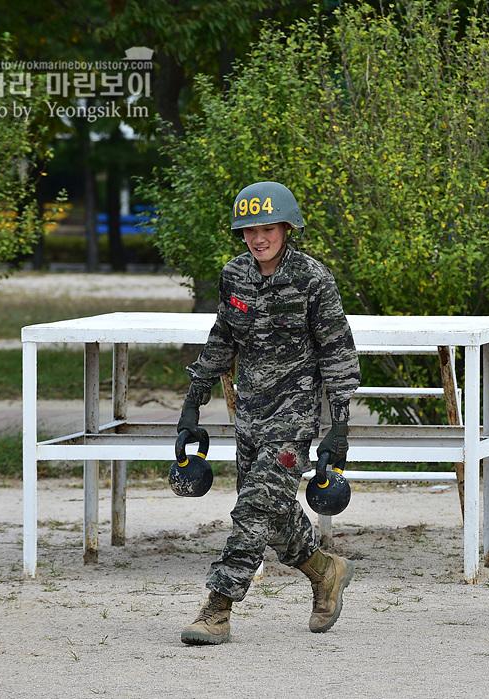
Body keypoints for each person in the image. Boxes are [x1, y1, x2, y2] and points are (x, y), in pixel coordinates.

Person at [176, 181, 361, 645]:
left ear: (286, 228)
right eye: (249, 231)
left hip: (294, 415)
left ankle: (217, 608)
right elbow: (223, 338)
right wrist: (192, 401)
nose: (258, 239)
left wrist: (339, 427)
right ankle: (325, 570)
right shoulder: (234, 275)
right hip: (250, 412)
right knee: (271, 513)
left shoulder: (312, 279)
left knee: (253, 507)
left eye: (267, 229)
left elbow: (338, 354)